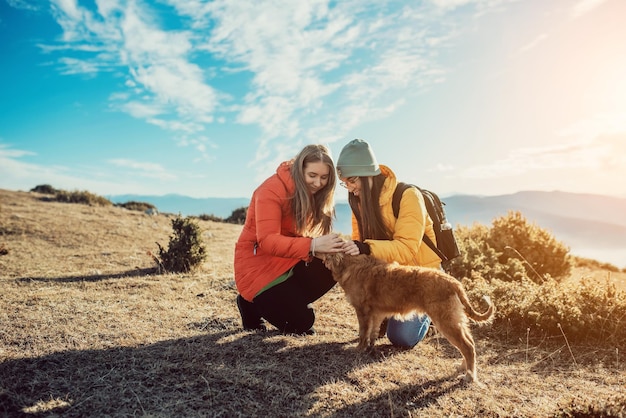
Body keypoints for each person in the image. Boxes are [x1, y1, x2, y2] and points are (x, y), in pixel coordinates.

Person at [336, 138, 442, 348]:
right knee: (375, 323)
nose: (349, 188)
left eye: (352, 181)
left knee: (401, 338)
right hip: (389, 279)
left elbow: (406, 247)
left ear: (368, 175)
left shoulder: (407, 195)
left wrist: (365, 247)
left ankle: (430, 316)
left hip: (419, 278)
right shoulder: (359, 203)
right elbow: (359, 243)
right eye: (345, 183)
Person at [234, 144, 346, 335]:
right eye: (312, 175)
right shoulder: (270, 190)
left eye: (324, 177)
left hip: (287, 261)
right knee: (302, 322)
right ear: (299, 169)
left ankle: (286, 301)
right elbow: (267, 241)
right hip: (258, 270)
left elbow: (295, 235)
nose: (318, 183)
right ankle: (251, 302)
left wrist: (321, 248)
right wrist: (312, 245)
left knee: (338, 262)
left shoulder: (310, 193)